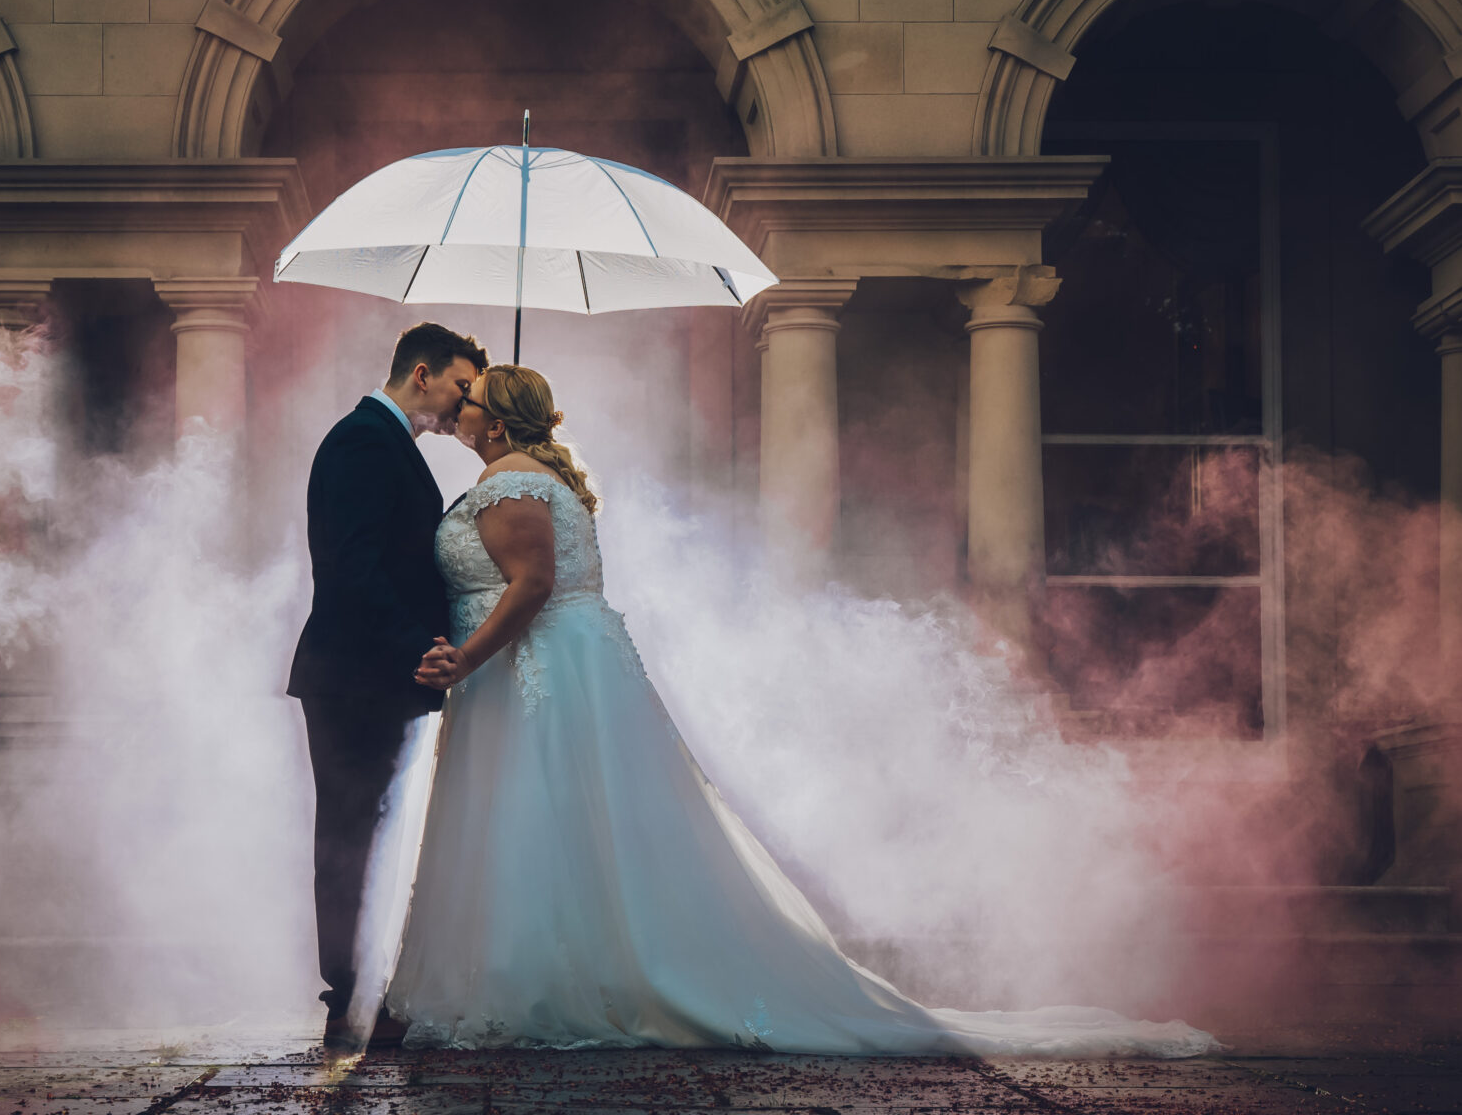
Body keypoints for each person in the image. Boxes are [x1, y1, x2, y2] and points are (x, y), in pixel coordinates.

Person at [384, 364, 1217, 1058]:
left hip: (536, 670)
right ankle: (550, 971)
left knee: (543, 819)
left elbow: (531, 586)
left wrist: (465, 658)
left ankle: (548, 985)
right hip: (544, 671)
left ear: (498, 423)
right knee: (554, 827)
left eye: (475, 396)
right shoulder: (523, 477)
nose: (461, 404)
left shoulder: (517, 482)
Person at [288, 321, 487, 1053]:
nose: (467, 404)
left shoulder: (384, 441)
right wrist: (421, 646)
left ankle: (364, 989)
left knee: (370, 829)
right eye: (463, 387)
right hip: (354, 675)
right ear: (424, 373)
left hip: (377, 675)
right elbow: (351, 569)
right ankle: (344, 996)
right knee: (347, 832)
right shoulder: (363, 440)